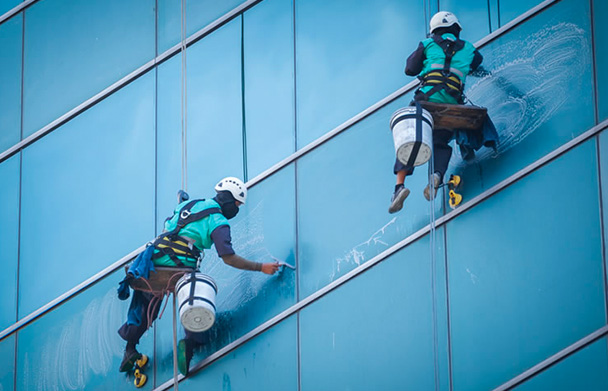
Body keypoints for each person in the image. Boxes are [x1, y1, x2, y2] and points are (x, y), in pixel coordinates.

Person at [117, 177, 279, 378]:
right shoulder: (218, 221)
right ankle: (191, 343)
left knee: (146, 303)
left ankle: (130, 349)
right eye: (237, 204)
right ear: (229, 200)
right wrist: (261, 267)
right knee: (197, 294)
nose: (236, 209)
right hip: (179, 267)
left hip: (152, 262)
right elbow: (228, 258)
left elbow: (177, 220)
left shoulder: (191, 204)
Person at [389, 11, 484, 214]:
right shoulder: (468, 48)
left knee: (410, 138)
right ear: (456, 28)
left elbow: (410, 69)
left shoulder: (428, 43)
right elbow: (477, 63)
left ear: (434, 29)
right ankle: (437, 176)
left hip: (426, 101)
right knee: (440, 142)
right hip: (452, 105)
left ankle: (399, 187)